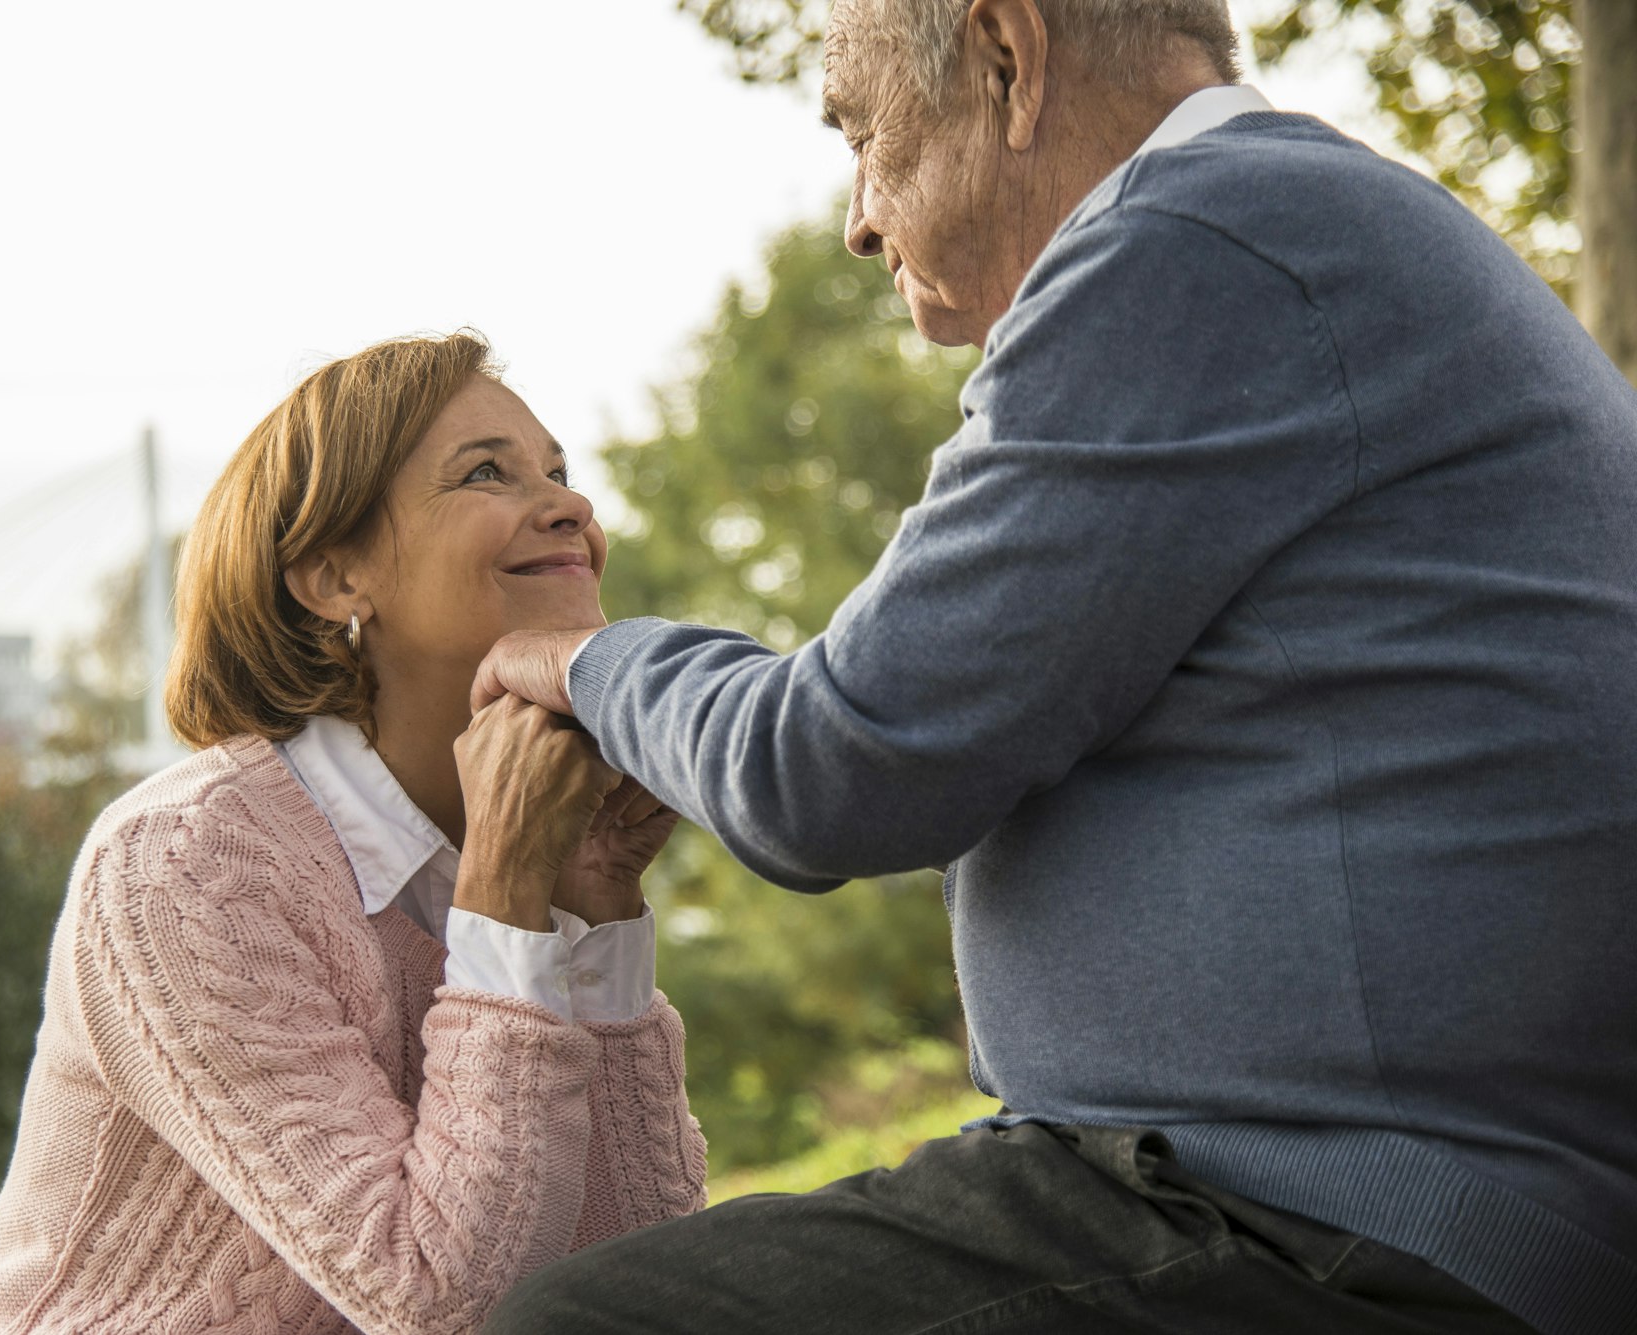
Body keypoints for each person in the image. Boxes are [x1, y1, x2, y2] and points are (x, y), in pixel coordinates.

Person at [474, 1, 1637, 1332]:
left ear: (1007, 61)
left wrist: (588, 664)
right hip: (1367, 1188)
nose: (857, 216)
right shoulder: (1300, 227)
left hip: (1339, 1219)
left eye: (862, 134)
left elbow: (834, 764)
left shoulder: (1192, 246)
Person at [0, 331, 705, 1335]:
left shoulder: (526, 826)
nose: (570, 505)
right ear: (334, 580)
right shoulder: (185, 863)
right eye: (485, 473)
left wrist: (592, 903)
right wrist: (507, 884)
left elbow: (638, 1269)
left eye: (558, 471)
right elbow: (438, 1301)